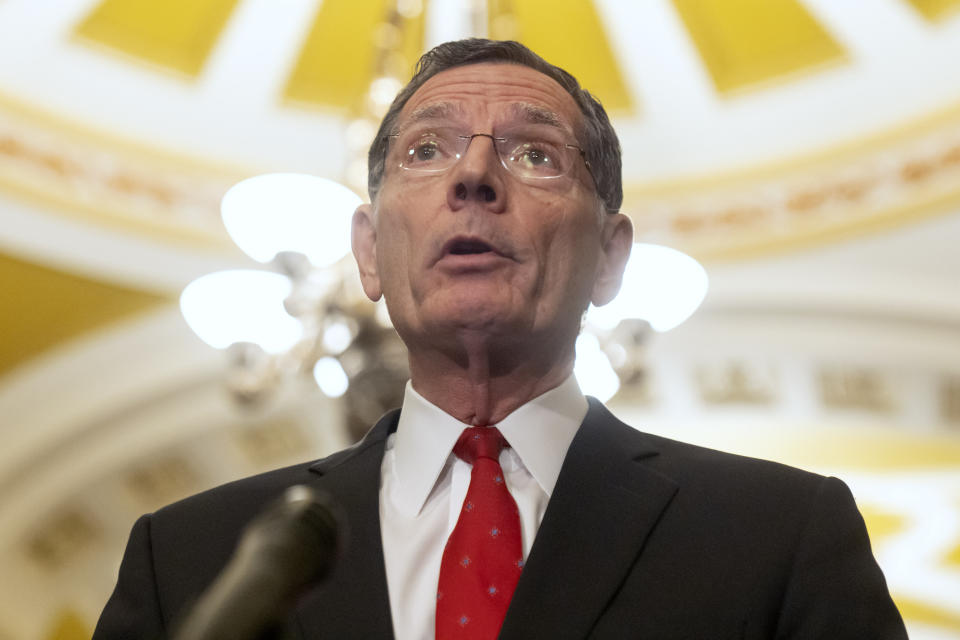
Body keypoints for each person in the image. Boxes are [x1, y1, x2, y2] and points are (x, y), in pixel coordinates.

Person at [94, 39, 907, 639]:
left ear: (610, 258)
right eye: (425, 149)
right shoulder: (194, 556)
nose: (472, 177)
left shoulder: (779, 535)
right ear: (369, 252)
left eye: (534, 153)